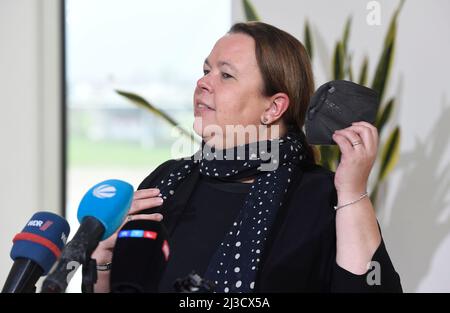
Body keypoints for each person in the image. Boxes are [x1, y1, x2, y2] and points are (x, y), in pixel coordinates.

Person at [91, 21, 402, 293]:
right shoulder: (165, 182)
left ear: (273, 108)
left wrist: (353, 193)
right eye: (205, 71)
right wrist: (104, 262)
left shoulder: (321, 195)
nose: (203, 83)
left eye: (225, 75)